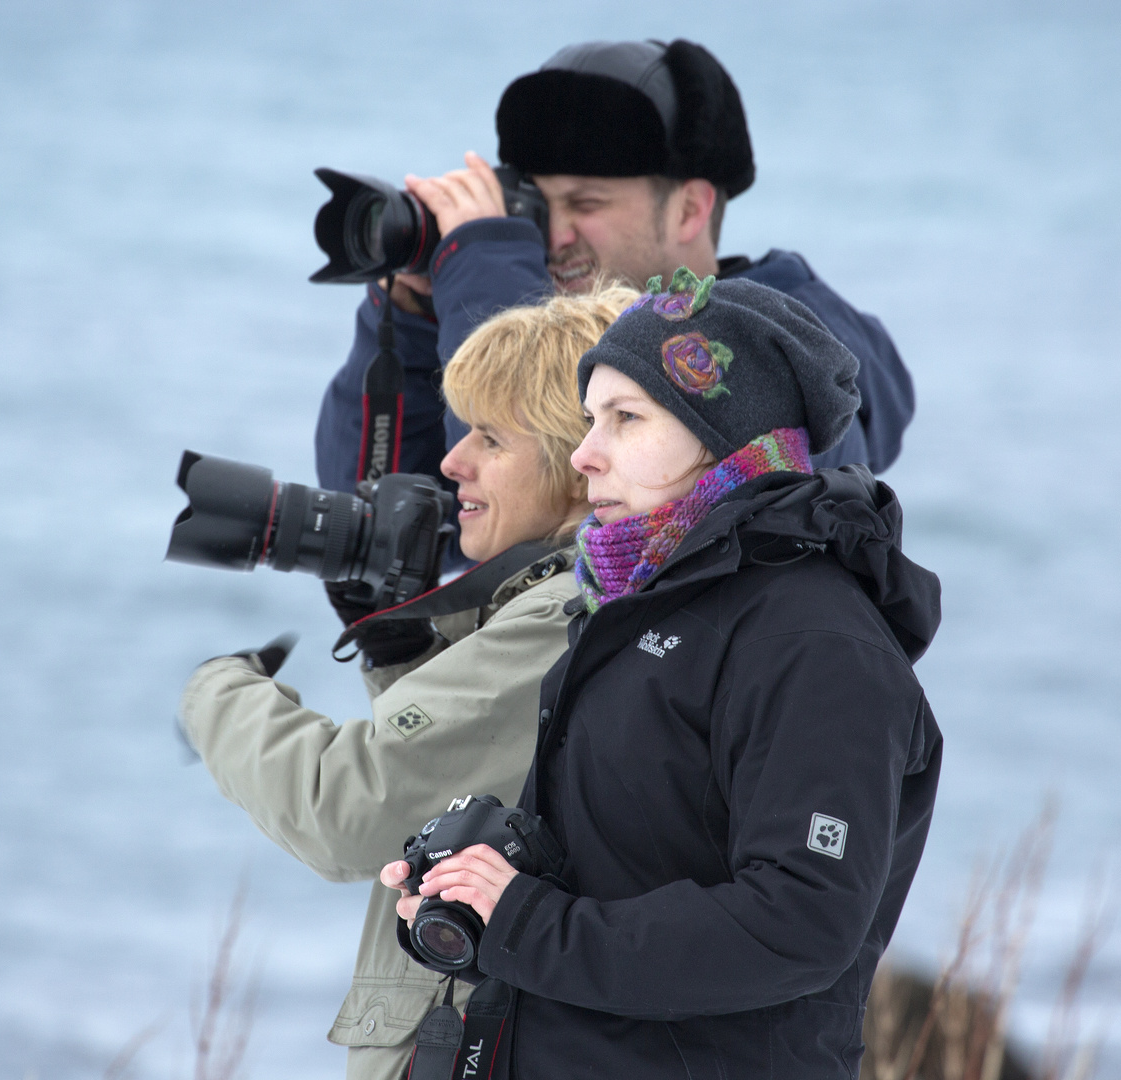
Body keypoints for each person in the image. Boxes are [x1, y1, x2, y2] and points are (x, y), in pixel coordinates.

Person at [385, 271, 943, 1077]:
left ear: (724, 438)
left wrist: (529, 925)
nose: (585, 455)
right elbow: (629, 869)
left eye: (626, 419)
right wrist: (480, 896)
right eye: (588, 420)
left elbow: (800, 921)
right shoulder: (634, 608)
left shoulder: (816, 643)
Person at [178, 287, 639, 1080]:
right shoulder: (587, 598)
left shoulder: (568, 608)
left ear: (578, 464)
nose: (452, 462)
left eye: (489, 439)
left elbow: (345, 806)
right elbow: (474, 780)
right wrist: (404, 641)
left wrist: (215, 693)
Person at [315, 39, 914, 511]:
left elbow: (558, 500)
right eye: (540, 209)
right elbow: (382, 521)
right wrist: (415, 315)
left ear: (690, 209)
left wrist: (483, 271)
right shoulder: (571, 336)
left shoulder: (785, 351)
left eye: (587, 204)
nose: (553, 237)